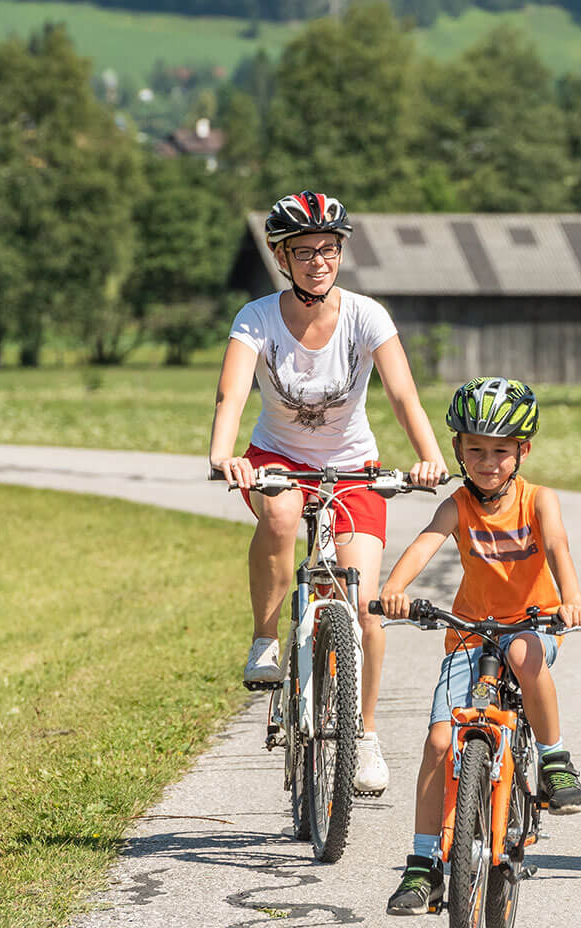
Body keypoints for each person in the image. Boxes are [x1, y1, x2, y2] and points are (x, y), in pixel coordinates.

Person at [209, 191, 448, 797]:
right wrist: (222, 453)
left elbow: (403, 396)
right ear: (281, 257)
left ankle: (364, 735)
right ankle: (266, 639)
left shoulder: (367, 316)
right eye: (305, 251)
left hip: (351, 467)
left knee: (364, 606)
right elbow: (232, 392)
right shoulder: (256, 317)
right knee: (282, 515)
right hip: (277, 459)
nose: (319, 261)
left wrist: (429, 456)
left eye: (329, 249)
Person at [376, 377, 581, 915]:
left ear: (523, 452)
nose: (488, 462)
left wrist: (572, 600)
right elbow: (425, 542)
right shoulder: (457, 506)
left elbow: (558, 547)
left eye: (501, 451)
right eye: (476, 450)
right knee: (439, 741)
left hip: (535, 624)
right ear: (457, 449)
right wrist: (394, 589)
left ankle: (554, 759)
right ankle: (423, 865)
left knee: (521, 653)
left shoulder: (539, 500)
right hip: (470, 632)